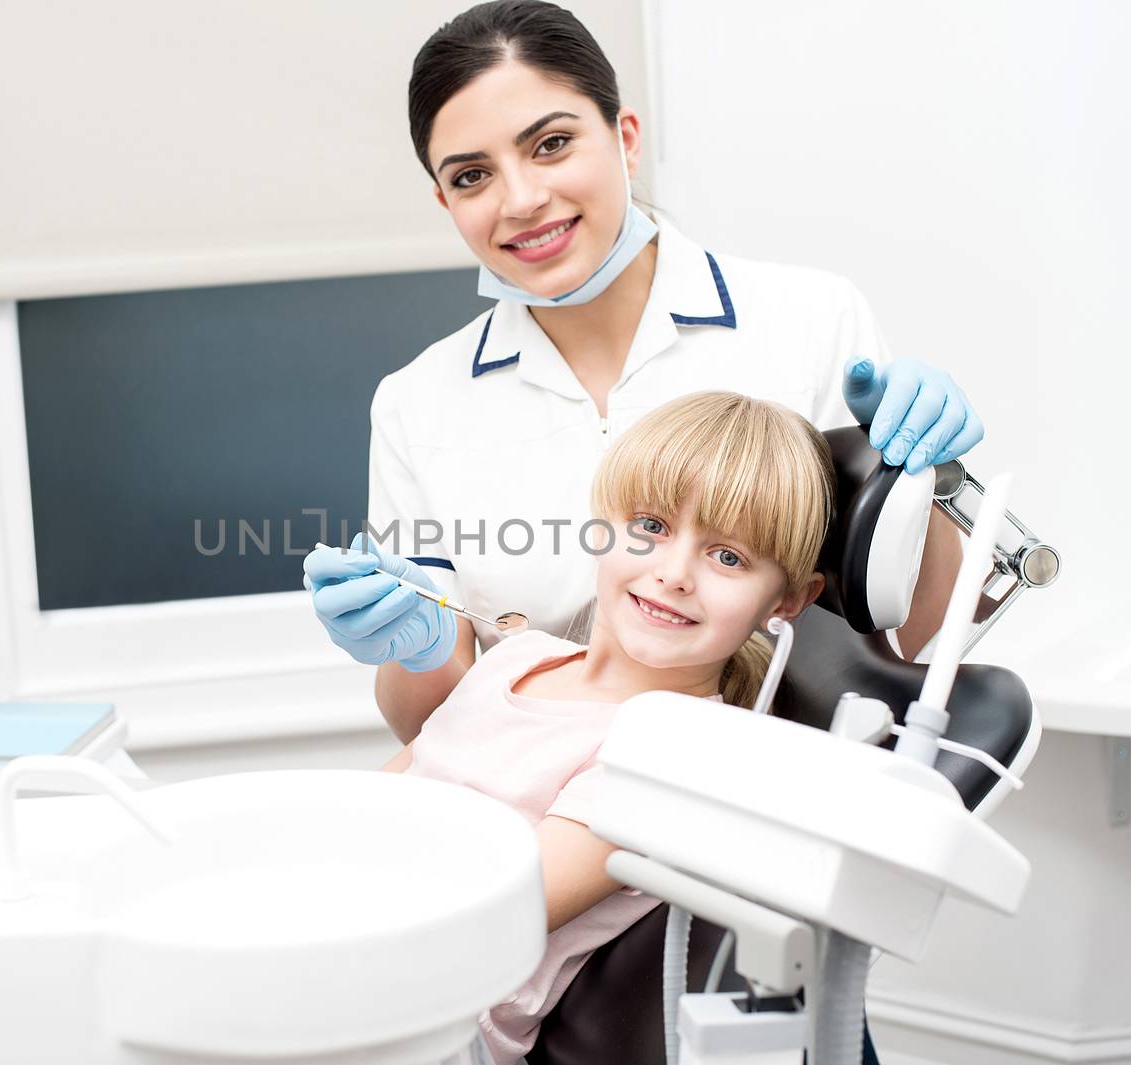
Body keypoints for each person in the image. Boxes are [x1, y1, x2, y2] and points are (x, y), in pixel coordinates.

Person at [309, 0, 981, 752]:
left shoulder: (809, 319)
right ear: (446, 201)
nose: (522, 199)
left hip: (769, 801)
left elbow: (918, 641)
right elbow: (427, 727)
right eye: (472, 176)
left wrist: (929, 477)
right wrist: (421, 650)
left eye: (552, 144)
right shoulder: (418, 405)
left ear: (625, 138)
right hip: (530, 810)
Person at [321, 391, 833, 1064]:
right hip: (346, 952)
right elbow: (353, 814)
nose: (672, 573)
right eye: (649, 524)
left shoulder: (672, 751)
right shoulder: (520, 657)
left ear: (788, 601)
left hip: (424, 1026)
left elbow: (487, 914)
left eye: (728, 557)